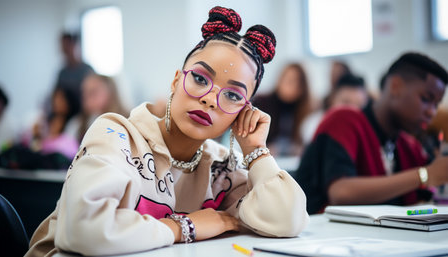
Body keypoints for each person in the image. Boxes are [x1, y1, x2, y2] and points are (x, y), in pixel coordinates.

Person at [25, 6, 309, 257]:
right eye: (200, 78)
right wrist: (185, 226)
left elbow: (288, 220)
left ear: (243, 112)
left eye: (233, 96)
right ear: (175, 81)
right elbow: (82, 230)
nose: (210, 98)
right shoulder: (115, 135)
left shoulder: (222, 166)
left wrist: (255, 150)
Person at [294, 52, 448, 214]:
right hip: (321, 234)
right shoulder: (345, 120)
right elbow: (340, 193)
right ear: (396, 86)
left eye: (436, 105)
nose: (432, 112)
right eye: (425, 99)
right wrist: (424, 175)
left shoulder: (408, 145)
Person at [0, 87, 80, 169]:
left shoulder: (75, 123)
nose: (57, 101)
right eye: (55, 97)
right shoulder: (44, 122)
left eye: (61, 98)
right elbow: (35, 148)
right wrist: (36, 136)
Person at [252, 63, 313, 157]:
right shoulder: (261, 103)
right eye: (289, 80)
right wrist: (263, 148)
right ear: (280, 80)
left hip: (292, 161)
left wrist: (300, 149)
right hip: (264, 158)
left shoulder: (306, 109)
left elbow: (305, 143)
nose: (293, 86)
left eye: (298, 82)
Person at [301, 73, 369, 146]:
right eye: (346, 102)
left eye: (359, 104)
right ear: (333, 99)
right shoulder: (314, 124)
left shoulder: (368, 129)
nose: (352, 109)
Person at [66, 74, 129, 142]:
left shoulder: (128, 121)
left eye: (93, 92)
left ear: (111, 93)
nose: (86, 97)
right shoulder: (76, 125)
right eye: (84, 92)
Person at [56, 32, 94, 117]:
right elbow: (57, 95)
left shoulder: (87, 70)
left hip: (86, 114)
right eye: (62, 46)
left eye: (67, 46)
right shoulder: (62, 73)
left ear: (73, 45)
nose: (64, 49)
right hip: (68, 116)